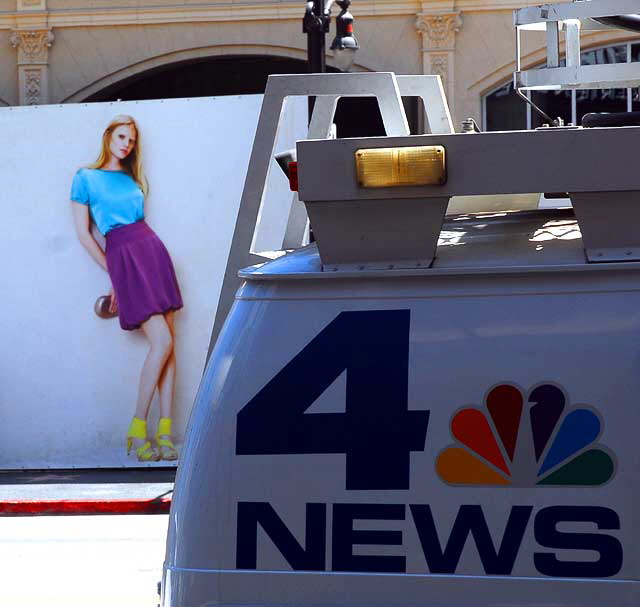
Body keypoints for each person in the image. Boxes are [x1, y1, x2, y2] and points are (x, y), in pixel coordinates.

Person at [70, 115, 183, 462]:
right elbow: (84, 235)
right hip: (123, 257)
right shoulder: (85, 178)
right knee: (160, 342)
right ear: (108, 137)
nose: (126, 144)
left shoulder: (133, 178)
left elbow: (139, 221)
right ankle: (137, 429)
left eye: (131, 141)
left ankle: (164, 433)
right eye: (121, 137)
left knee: (169, 346)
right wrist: (114, 274)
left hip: (152, 251)